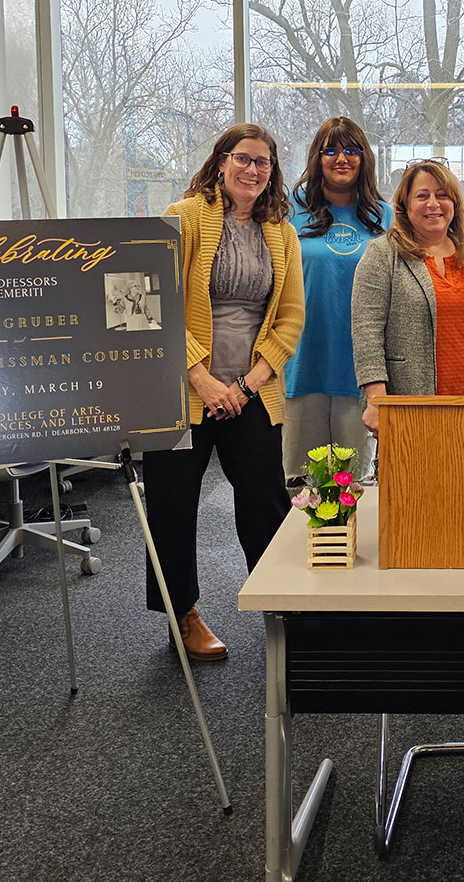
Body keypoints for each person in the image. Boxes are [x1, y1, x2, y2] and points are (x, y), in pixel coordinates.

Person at [142, 124, 305, 663]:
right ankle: (182, 613)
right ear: (221, 163)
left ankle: (282, 606)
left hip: (250, 391)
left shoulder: (280, 231)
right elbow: (153, 301)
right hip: (184, 390)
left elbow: (290, 318)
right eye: (243, 159)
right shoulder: (185, 216)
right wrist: (203, 378)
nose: (253, 170)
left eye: (264, 162)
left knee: (265, 500)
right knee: (172, 503)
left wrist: (250, 382)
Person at [353, 160, 464, 434]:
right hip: (409, 405)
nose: (434, 203)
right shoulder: (383, 255)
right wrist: (376, 399)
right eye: (422, 196)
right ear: (406, 206)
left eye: (442, 195)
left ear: (454, 204)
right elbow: (366, 333)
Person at [283, 117, 390, 482]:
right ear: (317, 157)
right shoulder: (288, 211)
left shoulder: (385, 216)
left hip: (361, 372)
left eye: (351, 149)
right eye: (330, 150)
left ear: (364, 158)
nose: (340, 158)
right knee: (300, 487)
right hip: (300, 365)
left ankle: (349, 545)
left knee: (352, 486)